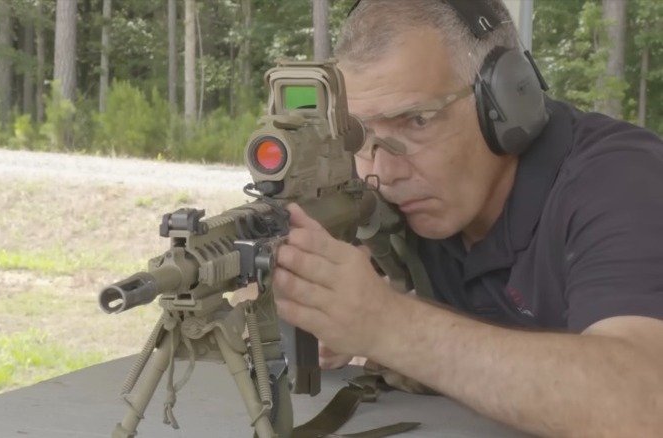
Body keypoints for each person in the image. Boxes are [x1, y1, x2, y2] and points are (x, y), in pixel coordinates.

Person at [270, 1, 663, 437]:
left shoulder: (624, 181)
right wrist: (315, 301)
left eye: (417, 121)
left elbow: (643, 407)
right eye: (360, 135)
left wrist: (388, 325)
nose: (381, 172)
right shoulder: (404, 195)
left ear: (508, 97)